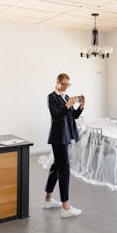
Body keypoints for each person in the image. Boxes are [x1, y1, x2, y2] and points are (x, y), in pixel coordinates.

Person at [43, 73, 85, 218]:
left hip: (65, 137)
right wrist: (68, 105)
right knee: (64, 169)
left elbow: (72, 116)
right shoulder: (52, 97)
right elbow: (56, 117)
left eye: (68, 85)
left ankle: (47, 200)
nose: (66, 87)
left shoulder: (66, 97)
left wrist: (80, 106)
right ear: (57, 82)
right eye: (64, 84)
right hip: (58, 138)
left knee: (56, 167)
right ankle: (65, 207)